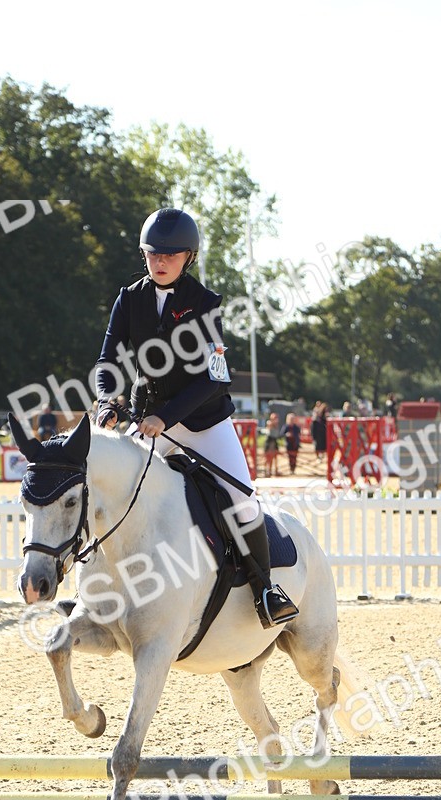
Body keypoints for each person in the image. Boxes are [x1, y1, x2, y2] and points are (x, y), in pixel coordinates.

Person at [94, 207, 298, 627]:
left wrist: (166, 418)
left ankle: (264, 590)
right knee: (113, 489)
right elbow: (108, 359)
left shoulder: (204, 304)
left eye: (171, 255)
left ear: (189, 257)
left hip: (203, 423)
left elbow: (215, 379)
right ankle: (101, 587)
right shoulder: (128, 299)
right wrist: (107, 401)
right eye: (153, 254)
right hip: (148, 418)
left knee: (241, 499)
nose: (161, 262)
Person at [263, 412, 281, 477]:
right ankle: (266, 471)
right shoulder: (270, 423)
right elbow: (270, 428)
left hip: (274, 442)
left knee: (275, 457)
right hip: (269, 442)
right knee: (267, 458)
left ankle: (273, 471)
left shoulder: (276, 425)